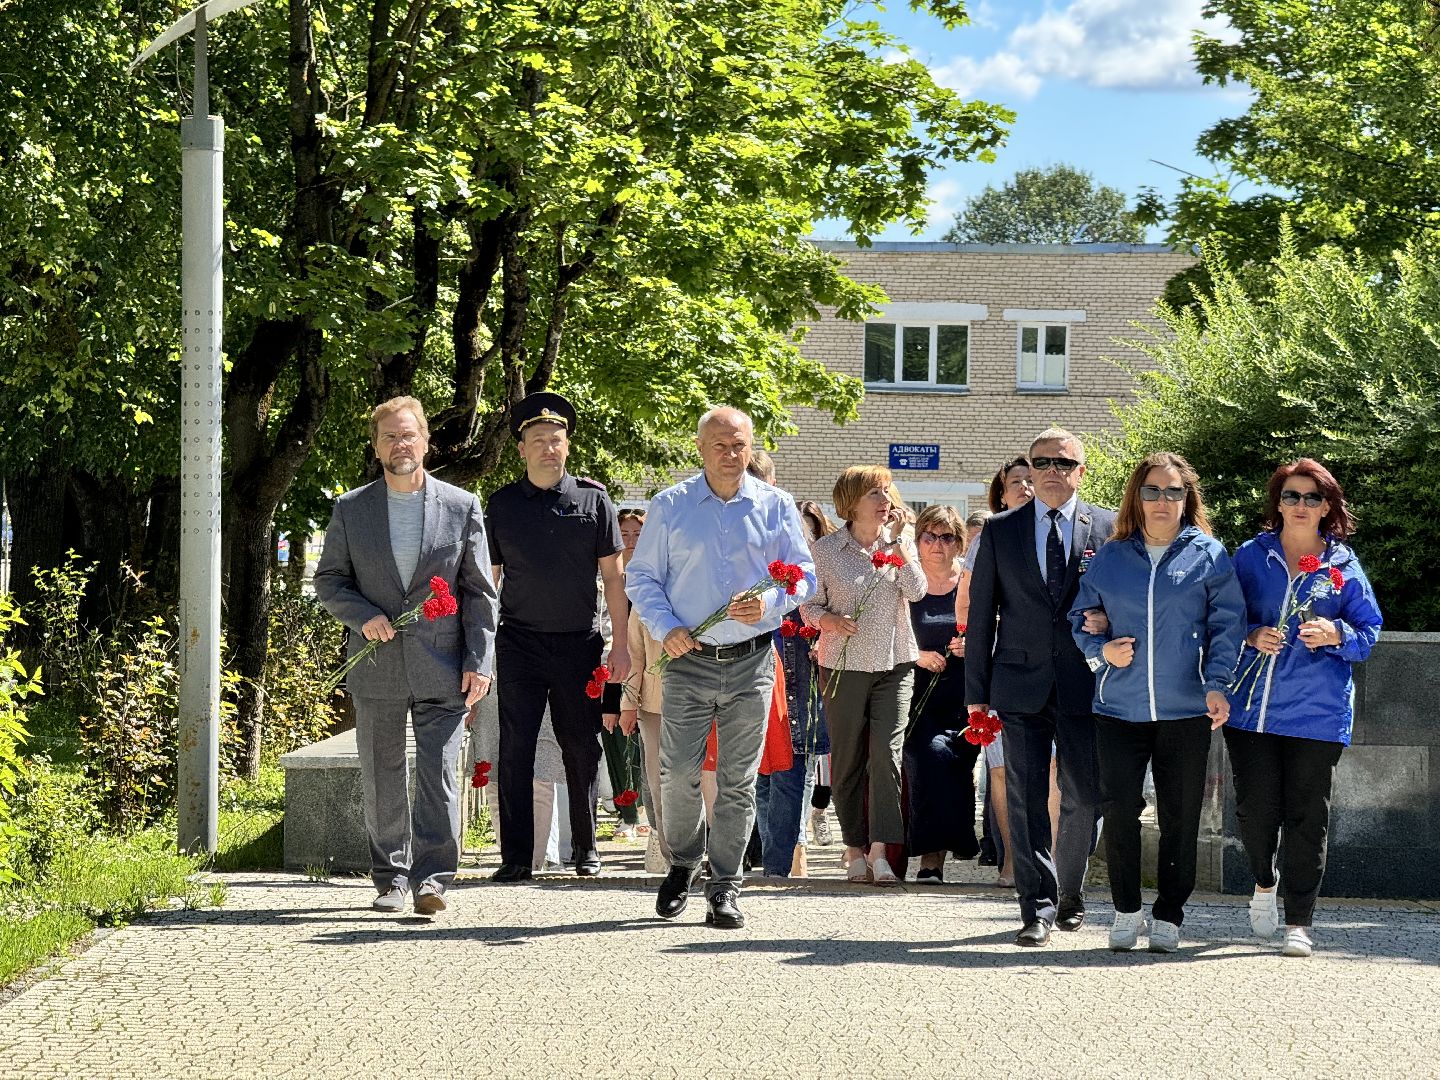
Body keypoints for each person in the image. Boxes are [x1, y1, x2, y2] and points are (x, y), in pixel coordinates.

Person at [625, 407, 815, 929]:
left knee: (738, 780)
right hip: (688, 660)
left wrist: (774, 600)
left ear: (751, 447)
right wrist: (667, 627)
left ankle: (726, 884)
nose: (732, 455)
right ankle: (684, 860)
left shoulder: (775, 506)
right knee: (678, 773)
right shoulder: (671, 505)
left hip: (752, 661)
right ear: (701, 448)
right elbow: (641, 579)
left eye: (740, 445)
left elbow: (804, 576)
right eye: (721, 446)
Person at [314, 396, 499, 915]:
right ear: (377, 447)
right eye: (390, 437)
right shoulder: (352, 509)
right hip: (377, 665)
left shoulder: (462, 506)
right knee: (382, 775)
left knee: (438, 774)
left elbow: (480, 592)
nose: (401, 445)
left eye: (409, 435)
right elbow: (330, 580)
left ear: (425, 440)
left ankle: (433, 878)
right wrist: (361, 615)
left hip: (444, 665)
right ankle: (391, 878)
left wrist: (479, 661)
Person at [1069, 452, 1246, 951]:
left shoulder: (1209, 554)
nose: (1162, 501)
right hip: (1118, 710)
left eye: (1173, 491)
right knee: (1120, 809)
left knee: (1180, 814)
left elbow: (1227, 625)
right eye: (1152, 491)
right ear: (1137, 498)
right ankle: (1126, 911)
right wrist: (1100, 651)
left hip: (1186, 709)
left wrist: (1217, 682)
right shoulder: (1111, 555)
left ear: (1187, 498)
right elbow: (1080, 616)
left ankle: (1169, 914)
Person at [1223, 459, 1382, 958]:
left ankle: (1299, 922)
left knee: (1307, 818)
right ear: (1278, 502)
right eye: (1291, 496)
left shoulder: (1343, 564)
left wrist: (1336, 634)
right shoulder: (1250, 556)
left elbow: (1368, 632)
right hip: (1251, 710)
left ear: (1328, 506)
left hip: (1317, 713)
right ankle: (1264, 881)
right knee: (1254, 813)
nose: (1300, 506)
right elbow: (1221, 618)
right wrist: (1250, 633)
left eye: (1312, 498)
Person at [965, 427, 1116, 947]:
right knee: (1026, 798)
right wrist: (976, 692)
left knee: (1084, 796)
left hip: (1087, 680)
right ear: (1029, 468)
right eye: (1041, 461)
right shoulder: (1001, 531)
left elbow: (1127, 601)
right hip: (1019, 681)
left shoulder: (1110, 529)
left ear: (1081, 470)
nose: (1051, 470)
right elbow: (982, 615)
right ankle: (1037, 906)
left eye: (1063, 462)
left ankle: (1071, 892)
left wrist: (1108, 623)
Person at [485, 392, 630, 883]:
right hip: (520, 642)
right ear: (522, 449)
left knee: (580, 747)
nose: (548, 448)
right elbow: (490, 581)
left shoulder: (593, 501)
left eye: (556, 440)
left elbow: (614, 578)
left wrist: (622, 645)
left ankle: (586, 851)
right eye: (538, 440)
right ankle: (516, 857)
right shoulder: (502, 505)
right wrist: (482, 649)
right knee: (516, 747)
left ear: (568, 447)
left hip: (578, 643)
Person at [800, 465, 925, 886]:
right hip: (843, 666)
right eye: (875, 492)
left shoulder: (899, 543)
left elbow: (918, 591)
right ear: (851, 503)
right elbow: (809, 606)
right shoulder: (826, 550)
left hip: (895, 663)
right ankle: (853, 848)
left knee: (886, 755)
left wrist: (898, 548)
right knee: (849, 757)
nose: (885, 499)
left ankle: (881, 851)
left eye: (887, 491)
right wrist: (829, 621)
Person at [904, 504, 975, 882]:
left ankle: (949, 851)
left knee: (958, 770)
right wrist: (917, 655)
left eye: (946, 537)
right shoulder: (906, 584)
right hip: (916, 698)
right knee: (928, 759)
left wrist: (974, 645)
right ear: (917, 542)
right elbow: (889, 634)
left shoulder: (971, 580)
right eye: (929, 536)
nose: (937, 545)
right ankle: (929, 860)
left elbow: (995, 627)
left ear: (958, 543)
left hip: (965, 696)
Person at [797, 501, 837, 848]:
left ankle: (820, 811)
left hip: (829, 664)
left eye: (808, 532)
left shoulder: (827, 564)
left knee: (822, 746)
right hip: (795, 665)